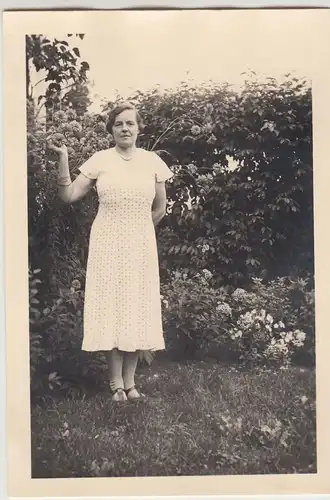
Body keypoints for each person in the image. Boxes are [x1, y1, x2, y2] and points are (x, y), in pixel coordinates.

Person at [48, 102, 174, 402]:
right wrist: (64, 159)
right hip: (107, 245)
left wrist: (138, 231)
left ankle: (131, 383)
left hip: (140, 246)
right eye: (119, 124)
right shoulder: (100, 160)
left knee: (135, 308)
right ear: (112, 129)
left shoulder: (152, 162)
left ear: (139, 128)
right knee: (112, 307)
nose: (125, 128)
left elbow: (159, 208)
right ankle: (116, 383)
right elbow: (68, 196)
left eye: (130, 123)